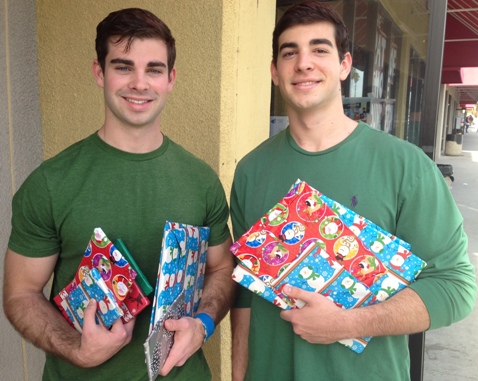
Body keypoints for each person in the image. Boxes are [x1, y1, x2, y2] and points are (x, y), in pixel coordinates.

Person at [229, 2, 476, 380]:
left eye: (319, 49)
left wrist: (346, 324)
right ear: (274, 72)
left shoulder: (404, 166)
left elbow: (455, 288)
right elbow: (245, 294)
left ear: (345, 66)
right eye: (289, 52)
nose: (304, 63)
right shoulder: (250, 171)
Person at [3, 8, 236, 381]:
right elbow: (20, 293)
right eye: (123, 67)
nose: (140, 84)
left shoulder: (201, 179)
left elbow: (222, 268)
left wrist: (204, 324)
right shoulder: (51, 183)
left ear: (171, 79)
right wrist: (76, 348)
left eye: (154, 69)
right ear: (100, 72)